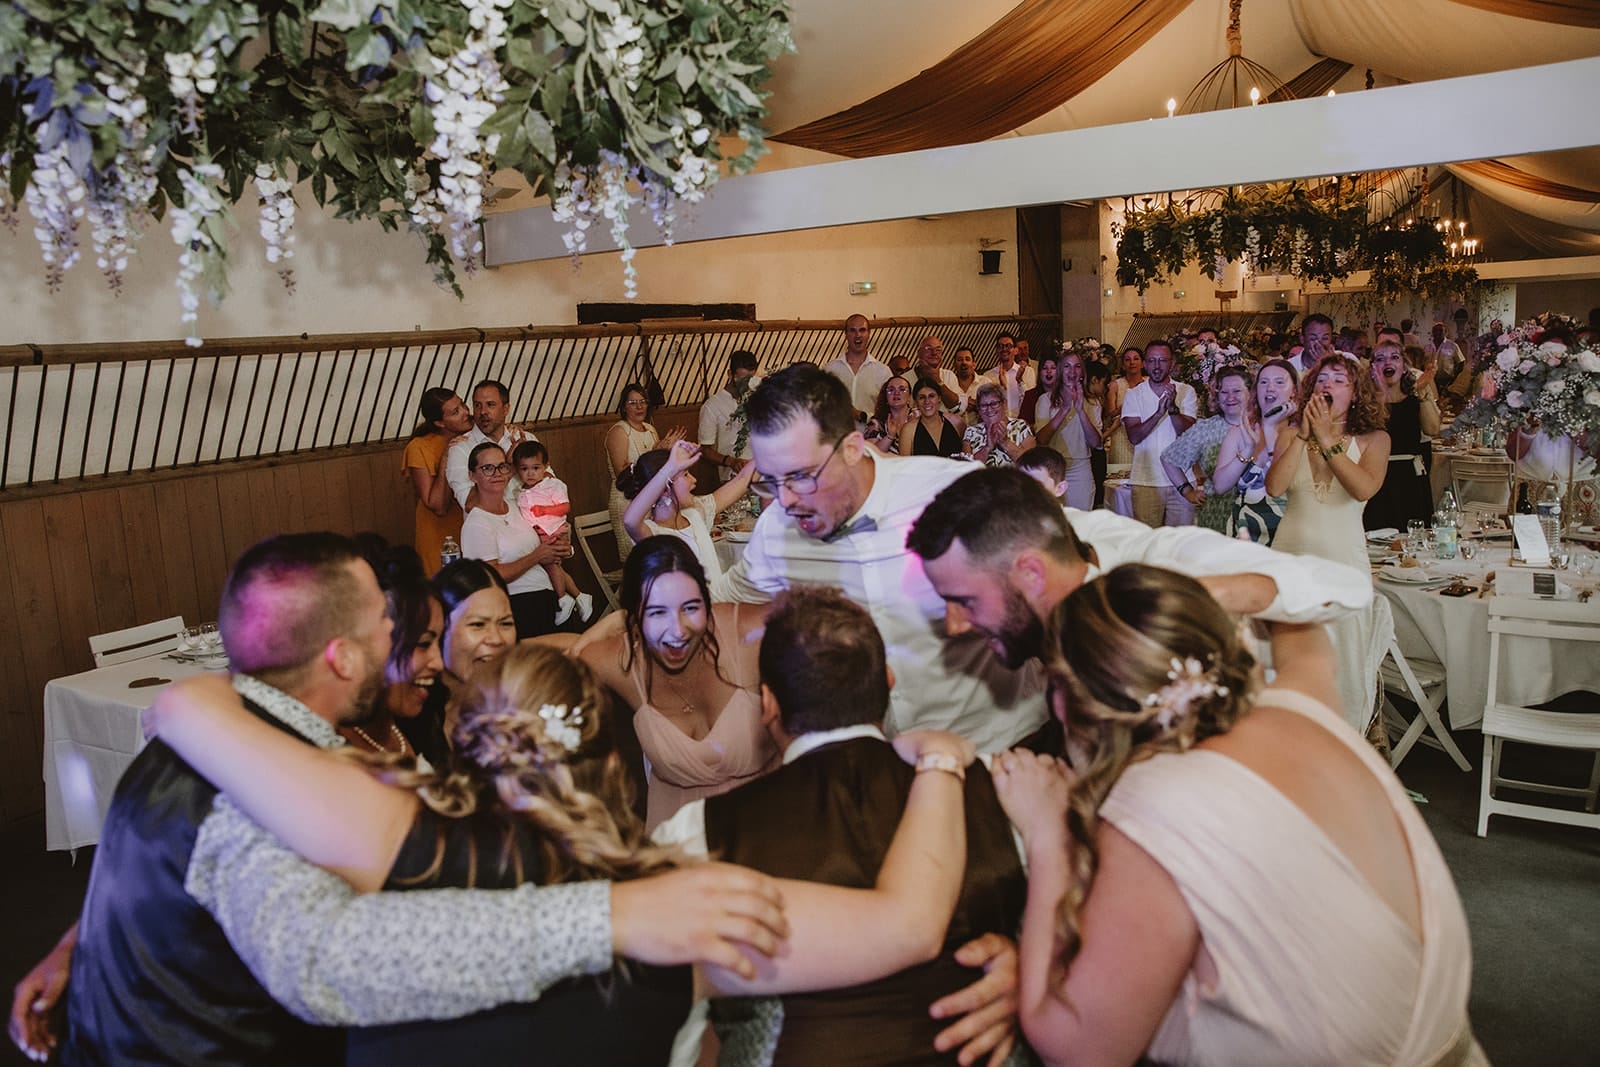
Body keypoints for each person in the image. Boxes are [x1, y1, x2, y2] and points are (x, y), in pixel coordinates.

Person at [139, 641, 986, 1066]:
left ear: (466, 745)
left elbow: (193, 731)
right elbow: (908, 923)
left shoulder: (366, 852)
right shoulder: (679, 901)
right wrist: (941, 761)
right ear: (614, 762)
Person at [991, 565, 1483, 1067]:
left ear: (1065, 701)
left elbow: (1077, 1048)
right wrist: (1213, 592)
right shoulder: (1301, 706)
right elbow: (1304, 631)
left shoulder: (1156, 811)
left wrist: (1048, 833)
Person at [657, 586, 1028, 1066]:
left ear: (768, 704)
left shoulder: (699, 832)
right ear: (888, 682)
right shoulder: (1003, 789)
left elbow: (669, 1025)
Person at [59, 533, 392, 1064]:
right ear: (344, 657)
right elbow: (344, 980)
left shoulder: (176, 742)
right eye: (382, 617)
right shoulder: (281, 790)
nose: (391, 632)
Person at [711, 364, 1047, 753]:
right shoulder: (777, 531)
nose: (785, 500)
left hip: (1000, 748)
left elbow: (1073, 550)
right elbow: (721, 599)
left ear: (852, 448)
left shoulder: (948, 490)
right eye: (770, 480)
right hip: (884, 767)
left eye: (800, 476)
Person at [905, 467, 1373, 677]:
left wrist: (1164, 597)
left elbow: (1344, 587)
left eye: (964, 601)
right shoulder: (1057, 533)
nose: (953, 625)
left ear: (1030, 572)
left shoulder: (1157, 555)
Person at [575, 536, 779, 830]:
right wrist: (603, 625)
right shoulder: (623, 663)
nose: (678, 630)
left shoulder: (745, 633)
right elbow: (562, 660)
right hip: (679, 844)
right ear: (634, 619)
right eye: (657, 612)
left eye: (691, 608)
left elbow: (832, 612)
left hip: (768, 830)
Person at [1266, 353, 1392, 728]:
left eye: (1339, 379)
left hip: (1343, 561)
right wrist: (1305, 436)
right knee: (1289, 659)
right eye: (1322, 379)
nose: (1327, 385)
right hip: (1291, 558)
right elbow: (1275, 487)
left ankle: (1345, 738)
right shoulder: (1290, 433)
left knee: (1344, 662)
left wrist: (1327, 440)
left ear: (1355, 393)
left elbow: (1362, 488)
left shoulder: (1375, 439)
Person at [346, 538, 447, 768]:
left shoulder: (419, 720)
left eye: (439, 643)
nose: (438, 663)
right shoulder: (335, 752)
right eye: (423, 644)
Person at [458, 442, 576, 639]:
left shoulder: (518, 505)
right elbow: (489, 575)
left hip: (548, 593)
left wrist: (563, 549)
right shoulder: (477, 523)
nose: (497, 473)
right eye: (487, 468)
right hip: (517, 603)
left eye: (502, 466)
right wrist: (536, 557)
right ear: (472, 476)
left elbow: (546, 537)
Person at [617, 441, 756, 585]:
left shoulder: (695, 515)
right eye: (686, 474)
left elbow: (743, 478)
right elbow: (630, 521)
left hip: (718, 603)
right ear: (665, 489)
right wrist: (670, 468)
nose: (694, 480)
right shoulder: (653, 534)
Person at [1213, 359, 1298, 544]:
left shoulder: (1302, 434)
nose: (1270, 388)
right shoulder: (1241, 432)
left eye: (1279, 382)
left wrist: (1269, 429)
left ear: (1294, 392)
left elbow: (1284, 485)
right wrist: (1249, 448)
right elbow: (1220, 485)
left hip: (1290, 534)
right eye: (1263, 382)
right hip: (1246, 536)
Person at [1161, 364, 1251, 534]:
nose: (1230, 397)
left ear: (1250, 394)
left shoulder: (1264, 426)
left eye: (1237, 391)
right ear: (1217, 397)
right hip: (1217, 514)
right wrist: (1187, 491)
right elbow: (1168, 459)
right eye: (1224, 392)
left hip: (1260, 513)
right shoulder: (1205, 429)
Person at [512, 441, 594, 625]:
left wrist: (545, 510)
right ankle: (580, 596)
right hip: (537, 534)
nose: (530, 473)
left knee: (551, 565)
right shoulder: (521, 492)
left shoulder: (553, 485)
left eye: (535, 468)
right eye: (524, 469)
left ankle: (562, 598)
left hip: (553, 530)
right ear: (517, 470)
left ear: (546, 467)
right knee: (554, 566)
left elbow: (565, 506)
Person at [1122, 340, 1198, 527]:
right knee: (1147, 543)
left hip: (1183, 480)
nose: (1157, 366)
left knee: (1180, 544)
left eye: (1162, 361)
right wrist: (1158, 413)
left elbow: (1188, 433)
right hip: (1145, 480)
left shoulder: (1186, 391)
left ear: (1171, 363)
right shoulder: (1133, 394)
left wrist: (1172, 409)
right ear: (1145, 364)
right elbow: (1134, 437)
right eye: (1152, 361)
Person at [1366, 341, 1440, 532]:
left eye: (1394, 357)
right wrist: (1380, 389)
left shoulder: (1415, 398)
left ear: (1404, 366)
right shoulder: (1366, 403)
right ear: (1373, 367)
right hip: (1376, 477)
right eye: (1380, 359)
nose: (1387, 362)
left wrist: (1422, 391)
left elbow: (1432, 429)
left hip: (1410, 477)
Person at [606, 382, 683, 558]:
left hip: (652, 499)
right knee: (635, 559)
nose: (639, 407)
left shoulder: (650, 429)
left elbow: (656, 466)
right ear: (624, 407)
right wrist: (656, 451)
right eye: (633, 403)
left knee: (653, 556)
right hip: (627, 499)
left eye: (643, 402)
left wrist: (668, 453)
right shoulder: (619, 431)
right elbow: (622, 473)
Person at [402, 387, 470, 573]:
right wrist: (448, 456)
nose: (466, 412)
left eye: (463, 404)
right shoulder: (419, 447)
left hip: (472, 531)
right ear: (440, 422)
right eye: (456, 412)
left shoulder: (474, 435)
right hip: (440, 538)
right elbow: (438, 505)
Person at [444, 379, 537, 510]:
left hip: (532, 525)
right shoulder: (461, 448)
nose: (483, 412)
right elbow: (470, 504)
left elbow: (550, 482)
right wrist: (510, 468)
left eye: (490, 404)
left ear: (506, 409)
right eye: (477, 405)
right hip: (489, 528)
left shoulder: (525, 438)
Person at [1031, 348, 1101, 510]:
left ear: (1082, 372)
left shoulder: (1092, 402)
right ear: (1061, 371)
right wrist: (1064, 409)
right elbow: (1042, 440)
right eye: (1067, 366)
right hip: (1052, 468)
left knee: (1082, 522)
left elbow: (1096, 443)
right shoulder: (1045, 400)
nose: (1072, 371)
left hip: (1081, 468)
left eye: (1077, 366)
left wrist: (1080, 410)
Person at [698, 350, 760, 483]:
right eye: (742, 379)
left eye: (750, 379)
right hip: (732, 477)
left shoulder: (757, 399)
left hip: (760, 472)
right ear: (730, 374)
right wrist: (730, 461)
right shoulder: (712, 406)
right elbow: (705, 449)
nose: (746, 385)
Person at [823, 313, 892, 420]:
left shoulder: (883, 372)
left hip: (871, 435)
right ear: (845, 334)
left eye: (862, 330)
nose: (858, 335)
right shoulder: (830, 369)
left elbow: (890, 411)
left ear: (869, 333)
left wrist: (863, 416)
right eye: (852, 330)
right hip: (838, 435)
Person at [964, 382, 1036, 467]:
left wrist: (1005, 442)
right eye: (984, 405)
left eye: (994, 404)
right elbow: (966, 469)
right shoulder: (971, 431)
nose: (989, 409)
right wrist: (988, 447)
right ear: (979, 410)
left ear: (1004, 404)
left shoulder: (1021, 426)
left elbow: (1031, 464)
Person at [900, 376, 965, 457]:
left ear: (939, 398)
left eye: (931, 396)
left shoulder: (956, 422)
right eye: (921, 397)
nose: (927, 401)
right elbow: (904, 466)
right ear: (916, 402)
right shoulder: (908, 430)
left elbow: (968, 457)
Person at [987, 332, 1034, 418]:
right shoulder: (988, 376)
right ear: (996, 350)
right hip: (999, 424)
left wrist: (1020, 381)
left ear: (1016, 350)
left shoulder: (1027, 372)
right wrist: (1001, 388)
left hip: (1021, 423)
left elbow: (1030, 401)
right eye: (1000, 346)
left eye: (1008, 346)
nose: (1004, 349)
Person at [865, 374, 915, 454]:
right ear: (886, 397)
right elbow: (871, 454)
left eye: (902, 389)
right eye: (891, 390)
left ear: (909, 396)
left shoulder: (918, 416)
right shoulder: (876, 422)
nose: (896, 393)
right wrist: (889, 437)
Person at [912, 335, 964, 412]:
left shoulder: (949, 375)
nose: (934, 353)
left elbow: (955, 406)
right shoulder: (904, 379)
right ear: (919, 353)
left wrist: (937, 379)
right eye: (929, 349)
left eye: (938, 350)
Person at [951, 345, 985, 417]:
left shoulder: (985, 383)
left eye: (967, 359)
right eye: (960, 360)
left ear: (974, 365)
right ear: (954, 365)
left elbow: (994, 407)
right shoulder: (948, 384)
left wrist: (976, 405)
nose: (964, 362)